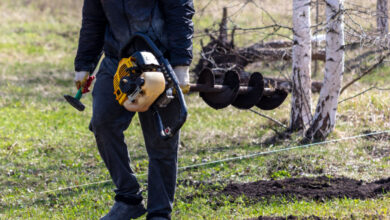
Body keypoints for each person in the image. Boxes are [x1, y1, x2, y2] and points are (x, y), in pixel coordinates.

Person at [73, 0, 194, 219]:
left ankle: (159, 213)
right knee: (103, 123)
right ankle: (128, 199)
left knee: (161, 140)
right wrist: (84, 64)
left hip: (159, 61)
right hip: (116, 62)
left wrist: (181, 64)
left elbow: (180, 11)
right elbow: (94, 18)